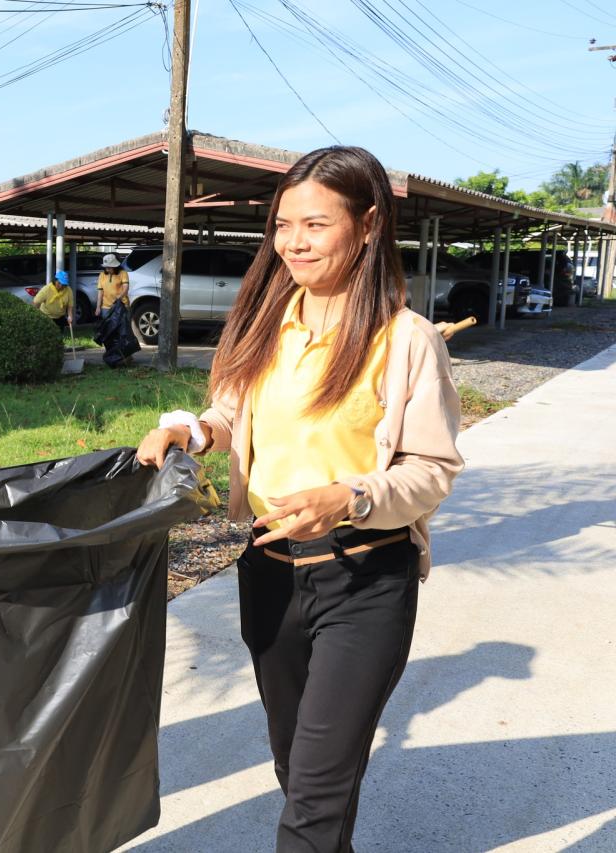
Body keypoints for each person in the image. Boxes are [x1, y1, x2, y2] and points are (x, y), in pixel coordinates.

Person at [136, 146, 462, 852]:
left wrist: (348, 496)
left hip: (366, 579)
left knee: (314, 797)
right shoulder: (264, 324)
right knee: (297, 769)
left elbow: (433, 468)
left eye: (315, 224)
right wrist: (189, 432)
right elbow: (227, 415)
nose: (293, 242)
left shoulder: (406, 341)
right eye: (284, 225)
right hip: (269, 573)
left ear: (369, 224)